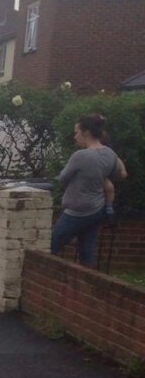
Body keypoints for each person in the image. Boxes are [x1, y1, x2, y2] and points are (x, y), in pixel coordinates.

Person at [52, 113, 122, 267]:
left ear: (87, 133)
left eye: (76, 132)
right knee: (87, 253)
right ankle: (87, 279)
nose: (75, 136)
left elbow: (63, 178)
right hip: (97, 209)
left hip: (77, 211)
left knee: (50, 246)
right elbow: (112, 176)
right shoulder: (111, 154)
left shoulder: (80, 156)